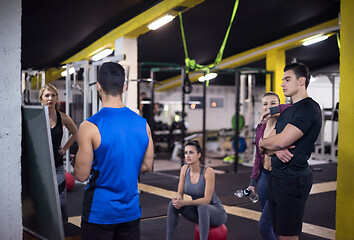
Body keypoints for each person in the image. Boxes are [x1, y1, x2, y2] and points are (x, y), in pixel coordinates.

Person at [74, 62, 154, 240]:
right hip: (131, 212)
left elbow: (81, 175)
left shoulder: (89, 126)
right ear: (124, 87)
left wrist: (77, 162)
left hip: (99, 213)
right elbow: (147, 165)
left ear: (99, 87)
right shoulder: (143, 124)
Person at [259, 63, 322, 240]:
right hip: (276, 178)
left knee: (288, 236)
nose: (282, 85)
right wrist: (269, 145)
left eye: (287, 79)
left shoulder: (309, 108)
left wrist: (265, 142)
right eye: (283, 80)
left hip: (293, 180)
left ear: (301, 81)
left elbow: (280, 141)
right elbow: (268, 150)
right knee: (278, 233)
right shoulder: (288, 111)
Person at [248, 92, 290, 240]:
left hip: (279, 178)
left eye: (273, 103)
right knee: (271, 223)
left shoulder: (285, 124)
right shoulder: (260, 127)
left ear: (279, 104)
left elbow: (293, 106)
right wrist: (253, 182)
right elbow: (258, 157)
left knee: (264, 226)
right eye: (265, 104)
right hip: (264, 177)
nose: (268, 107)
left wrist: (274, 110)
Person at [166, 140, 227, 240]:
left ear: (199, 155)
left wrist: (184, 203)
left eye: (191, 152)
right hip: (199, 212)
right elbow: (180, 193)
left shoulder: (208, 172)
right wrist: (178, 201)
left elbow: (207, 200)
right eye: (186, 153)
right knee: (172, 204)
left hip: (216, 214)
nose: (187, 155)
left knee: (203, 207)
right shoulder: (184, 169)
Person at [39, 83, 78, 223]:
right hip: (40, 166)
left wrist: (65, 148)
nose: (50, 98)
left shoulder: (63, 117)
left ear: (56, 99)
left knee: (61, 200)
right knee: (43, 199)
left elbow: (75, 133)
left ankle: (64, 228)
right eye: (47, 95)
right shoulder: (36, 117)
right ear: (41, 99)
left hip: (57, 163)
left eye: (53, 95)